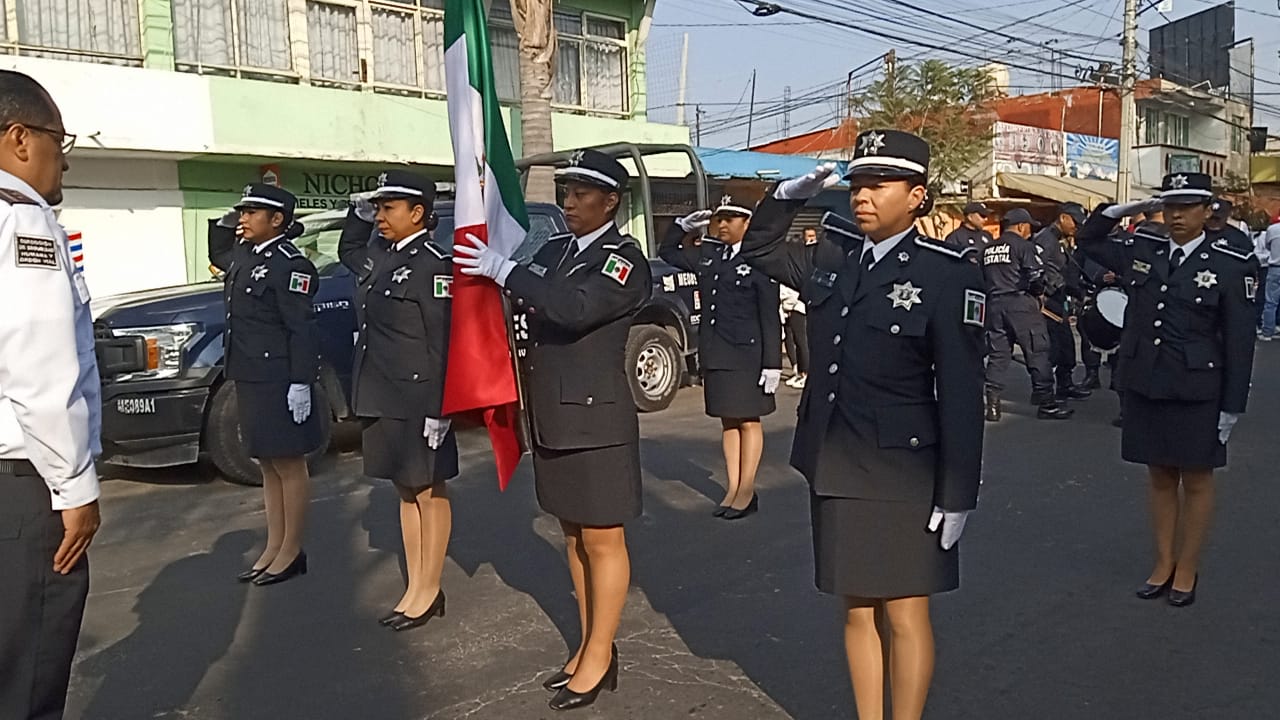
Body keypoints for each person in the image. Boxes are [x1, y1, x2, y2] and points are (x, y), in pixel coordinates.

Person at [739, 130, 986, 720]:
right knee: (855, 608)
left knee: (904, 612)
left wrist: (958, 493)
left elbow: (960, 394)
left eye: (880, 184)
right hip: (838, 460)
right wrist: (784, 195)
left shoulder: (947, 274)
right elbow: (759, 250)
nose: (862, 195)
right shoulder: (835, 261)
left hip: (904, 470)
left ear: (917, 195)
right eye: (857, 184)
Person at [454, 149, 650, 712]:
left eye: (582, 193)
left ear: (610, 201)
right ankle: (592, 644)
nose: (569, 202)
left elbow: (571, 308)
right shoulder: (559, 249)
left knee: (602, 538)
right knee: (571, 535)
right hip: (553, 415)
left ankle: (600, 653)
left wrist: (506, 269)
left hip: (595, 418)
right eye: (565, 191)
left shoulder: (622, 260)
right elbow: (528, 296)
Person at [1076, 172, 1256, 607]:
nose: (1177, 215)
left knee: (1195, 477)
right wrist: (1126, 210)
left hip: (1197, 385)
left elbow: (1239, 338)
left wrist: (1232, 406)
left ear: (1207, 210)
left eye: (1188, 206)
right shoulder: (1144, 248)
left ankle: (1187, 566)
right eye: (1170, 205)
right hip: (1147, 380)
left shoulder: (1232, 261)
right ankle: (1162, 562)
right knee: (1158, 474)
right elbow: (1088, 240)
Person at [0, 69, 102, 720]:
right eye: (57, 138)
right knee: (27, 676)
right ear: (17, 139)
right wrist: (76, 489)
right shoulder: (24, 224)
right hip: (23, 484)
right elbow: (39, 367)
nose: (63, 155)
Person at [338, 170, 458, 631]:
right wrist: (356, 212)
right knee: (404, 491)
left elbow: (441, 341)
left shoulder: (433, 264)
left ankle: (430, 588)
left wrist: (440, 408)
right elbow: (349, 251)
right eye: (378, 208)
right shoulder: (381, 256)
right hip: (381, 391)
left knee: (428, 489)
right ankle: (414, 586)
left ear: (418, 213)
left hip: (417, 395)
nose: (381, 216)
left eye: (389, 208)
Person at [210, 184, 322, 586]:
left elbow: (301, 329)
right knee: (268, 465)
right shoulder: (246, 257)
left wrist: (301, 382)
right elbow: (218, 254)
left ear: (277, 220)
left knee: (289, 463)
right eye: (241, 211)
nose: (242, 218)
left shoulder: (291, 265)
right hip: (250, 374)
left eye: (252, 212)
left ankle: (292, 549)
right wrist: (224, 224)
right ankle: (274, 545)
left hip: (279, 377)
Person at [659, 193, 782, 519]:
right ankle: (732, 487)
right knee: (728, 421)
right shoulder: (712, 256)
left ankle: (747, 488)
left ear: (747, 223)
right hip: (717, 352)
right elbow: (668, 252)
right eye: (720, 218)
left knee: (748, 420)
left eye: (731, 218)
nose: (722, 224)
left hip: (748, 355)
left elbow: (769, 314)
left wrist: (772, 363)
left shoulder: (760, 258)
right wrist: (681, 227)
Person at [982, 208, 1073, 421]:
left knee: (998, 355)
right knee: (1038, 351)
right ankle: (1047, 404)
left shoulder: (987, 249)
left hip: (994, 305)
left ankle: (992, 406)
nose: (1030, 231)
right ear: (1021, 226)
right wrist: (1039, 293)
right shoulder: (1024, 246)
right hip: (1020, 303)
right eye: (1029, 227)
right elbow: (1035, 276)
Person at [1034, 202, 1093, 401]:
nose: (1076, 227)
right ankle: (1044, 393)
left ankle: (1065, 384)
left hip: (1060, 301)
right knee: (1051, 350)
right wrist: (1054, 285)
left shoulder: (1061, 240)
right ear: (1063, 217)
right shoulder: (1045, 239)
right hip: (1047, 302)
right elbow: (1037, 269)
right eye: (1074, 222)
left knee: (1067, 347)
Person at [781, 282, 809, 388]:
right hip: (787, 309)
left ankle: (805, 373)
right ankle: (798, 372)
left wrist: (782, 298)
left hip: (797, 309)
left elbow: (793, 293)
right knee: (790, 339)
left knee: (800, 341)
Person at [1260, 215, 1280, 341]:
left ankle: (1268, 331)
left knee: (1271, 301)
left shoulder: (1272, 229)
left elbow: (1267, 246)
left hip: (1275, 267)